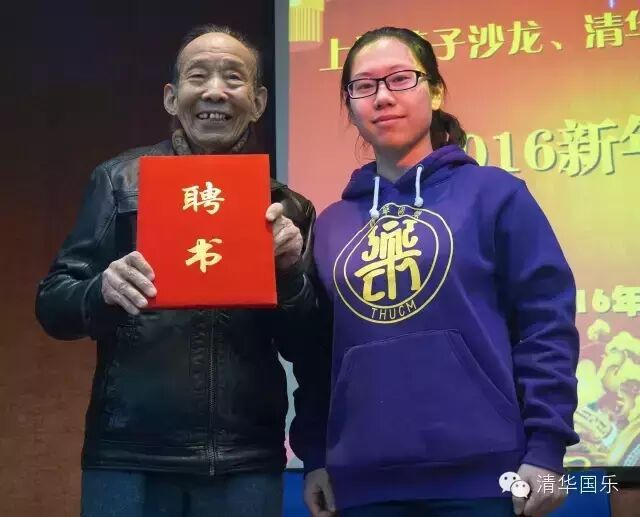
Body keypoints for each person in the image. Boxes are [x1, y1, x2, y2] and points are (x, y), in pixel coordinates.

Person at [35, 24, 328, 517]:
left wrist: (290, 275)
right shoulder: (119, 182)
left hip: (245, 459)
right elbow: (52, 304)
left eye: (233, 78)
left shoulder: (288, 208)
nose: (215, 91)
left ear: (258, 102)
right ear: (172, 97)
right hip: (129, 455)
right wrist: (100, 291)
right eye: (198, 76)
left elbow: (310, 346)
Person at [303, 27, 580, 517]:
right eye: (364, 86)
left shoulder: (495, 195)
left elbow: (545, 325)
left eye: (400, 79)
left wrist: (547, 447)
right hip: (362, 485)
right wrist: (315, 458)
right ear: (350, 106)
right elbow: (318, 355)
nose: (382, 97)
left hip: (484, 480)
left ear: (434, 91)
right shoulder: (330, 225)